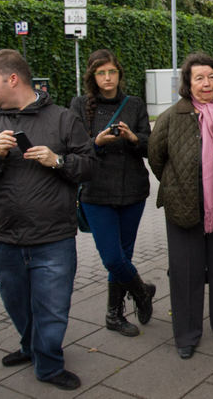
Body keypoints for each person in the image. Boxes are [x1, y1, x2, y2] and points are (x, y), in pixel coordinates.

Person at [0, 49, 95, 390]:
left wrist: (58, 161)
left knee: (52, 309)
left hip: (53, 238)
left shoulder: (62, 119)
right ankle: (31, 346)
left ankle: (49, 364)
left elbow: (90, 166)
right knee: (16, 304)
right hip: (6, 238)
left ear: (13, 79)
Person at [148, 52, 213, 360]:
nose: (207, 83)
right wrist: (179, 186)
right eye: (199, 78)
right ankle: (187, 335)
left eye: (212, 76)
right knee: (186, 272)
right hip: (184, 207)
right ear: (188, 84)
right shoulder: (171, 117)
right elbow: (156, 158)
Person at [69, 49, 155, 338]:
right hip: (96, 192)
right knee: (112, 257)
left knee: (125, 253)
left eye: (112, 72)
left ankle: (114, 315)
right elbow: (74, 149)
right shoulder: (79, 106)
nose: (108, 78)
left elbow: (150, 146)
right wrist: (96, 142)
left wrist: (133, 138)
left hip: (132, 190)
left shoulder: (134, 104)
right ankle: (142, 291)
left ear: (120, 74)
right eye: (102, 73)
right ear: (93, 77)